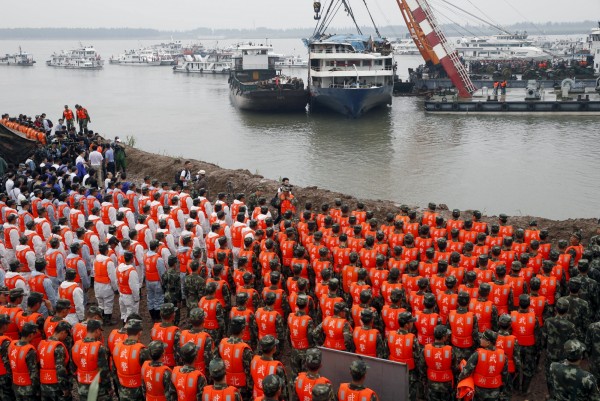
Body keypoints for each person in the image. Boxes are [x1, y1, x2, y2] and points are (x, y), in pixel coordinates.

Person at [458, 329, 509, 401]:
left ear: (488, 343)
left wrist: (459, 380)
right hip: (494, 390)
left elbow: (466, 371)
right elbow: (505, 375)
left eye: (482, 338)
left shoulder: (478, 354)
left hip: (479, 390)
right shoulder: (503, 356)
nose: (480, 339)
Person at [72, 319, 111, 401]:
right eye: (100, 331)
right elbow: (104, 371)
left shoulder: (76, 345)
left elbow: (73, 368)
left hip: (82, 387)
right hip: (98, 389)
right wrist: (108, 387)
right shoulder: (99, 348)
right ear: (97, 330)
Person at [112, 319, 150, 400]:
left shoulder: (117, 348)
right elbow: (148, 373)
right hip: (138, 392)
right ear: (140, 332)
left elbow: (114, 371)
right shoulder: (142, 351)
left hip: (123, 390)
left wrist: (119, 387)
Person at [387, 311, 420, 401]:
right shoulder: (412, 338)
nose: (413, 323)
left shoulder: (391, 335)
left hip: (395, 371)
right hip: (410, 374)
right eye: (411, 321)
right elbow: (418, 358)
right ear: (406, 325)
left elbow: (387, 352)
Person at [218, 315, 253, 398]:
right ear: (243, 330)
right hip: (242, 388)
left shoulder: (222, 344)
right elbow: (249, 372)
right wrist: (251, 389)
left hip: (226, 385)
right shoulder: (245, 349)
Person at [38, 320, 71, 401]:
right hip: (55, 384)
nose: (66, 337)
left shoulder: (41, 343)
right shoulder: (58, 347)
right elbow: (60, 369)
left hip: (43, 383)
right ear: (63, 332)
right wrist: (64, 387)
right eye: (66, 334)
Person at [422, 325, 456, 401]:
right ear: (443, 337)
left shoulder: (426, 349)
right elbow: (454, 368)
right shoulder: (450, 350)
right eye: (447, 335)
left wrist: (425, 381)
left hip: (431, 382)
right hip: (446, 385)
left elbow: (422, 367)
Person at [9, 322, 40, 401]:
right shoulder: (29, 350)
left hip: (16, 384)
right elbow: (33, 373)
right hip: (28, 387)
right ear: (30, 335)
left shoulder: (12, 345)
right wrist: (36, 389)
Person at [180, 308, 214, 377]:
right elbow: (208, 360)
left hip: (184, 372)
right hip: (201, 373)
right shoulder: (206, 339)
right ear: (203, 320)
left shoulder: (182, 335)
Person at [251, 335, 287, 399]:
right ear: (274, 349)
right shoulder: (277, 368)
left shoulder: (254, 360)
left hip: (257, 396)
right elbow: (283, 391)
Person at [150, 303, 181, 368]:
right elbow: (178, 354)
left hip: (157, 365)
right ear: (173, 315)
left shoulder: (154, 329)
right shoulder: (176, 333)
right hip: (171, 366)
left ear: (161, 315)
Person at [116, 251, 140, 324]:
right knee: (130, 313)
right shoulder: (131, 271)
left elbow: (116, 281)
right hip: (129, 296)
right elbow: (134, 287)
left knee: (123, 313)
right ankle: (127, 329)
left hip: (122, 294)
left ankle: (124, 326)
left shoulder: (118, 268)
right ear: (132, 259)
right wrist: (136, 298)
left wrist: (120, 291)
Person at [0, 314, 14, 400]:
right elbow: (7, 360)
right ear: (4, 325)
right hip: (3, 374)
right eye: (8, 324)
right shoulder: (4, 341)